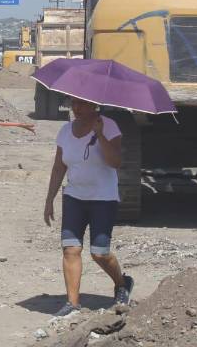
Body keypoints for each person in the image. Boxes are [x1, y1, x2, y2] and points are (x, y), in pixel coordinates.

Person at [44, 97, 134, 317]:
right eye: (73, 103)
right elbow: (59, 167)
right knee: (70, 249)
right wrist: (49, 199)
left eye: (82, 104)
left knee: (99, 253)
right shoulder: (65, 131)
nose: (77, 108)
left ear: (94, 105)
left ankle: (122, 283)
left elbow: (115, 162)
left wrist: (100, 134)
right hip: (74, 197)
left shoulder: (109, 126)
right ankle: (72, 303)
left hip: (103, 198)